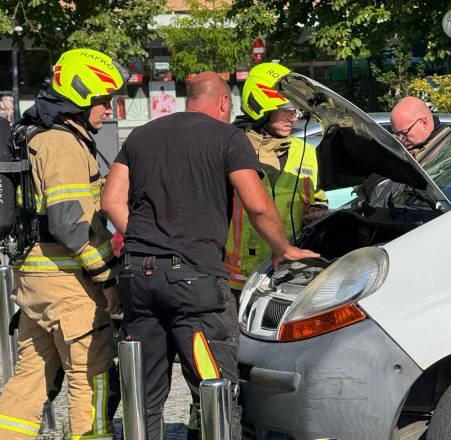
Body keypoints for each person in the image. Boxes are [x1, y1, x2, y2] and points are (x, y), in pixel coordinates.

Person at [101, 71, 319, 439]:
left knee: (144, 393)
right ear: (222, 103)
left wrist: (143, 238)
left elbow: (110, 201)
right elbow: (258, 205)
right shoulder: (228, 138)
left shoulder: (141, 135)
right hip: (194, 284)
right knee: (216, 385)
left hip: (138, 278)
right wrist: (284, 249)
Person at [0, 48, 126, 440]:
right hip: (69, 288)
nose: (109, 110)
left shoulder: (35, 133)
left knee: (29, 379)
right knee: (92, 376)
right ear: (80, 98)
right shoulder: (63, 143)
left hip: (36, 283)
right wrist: (108, 278)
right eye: (103, 101)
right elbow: (71, 224)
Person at [225, 62, 328, 294]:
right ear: (261, 107)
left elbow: (318, 196)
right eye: (287, 109)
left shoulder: (306, 152)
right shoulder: (230, 150)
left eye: (296, 111)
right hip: (237, 279)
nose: (294, 118)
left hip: (287, 273)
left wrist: (318, 209)